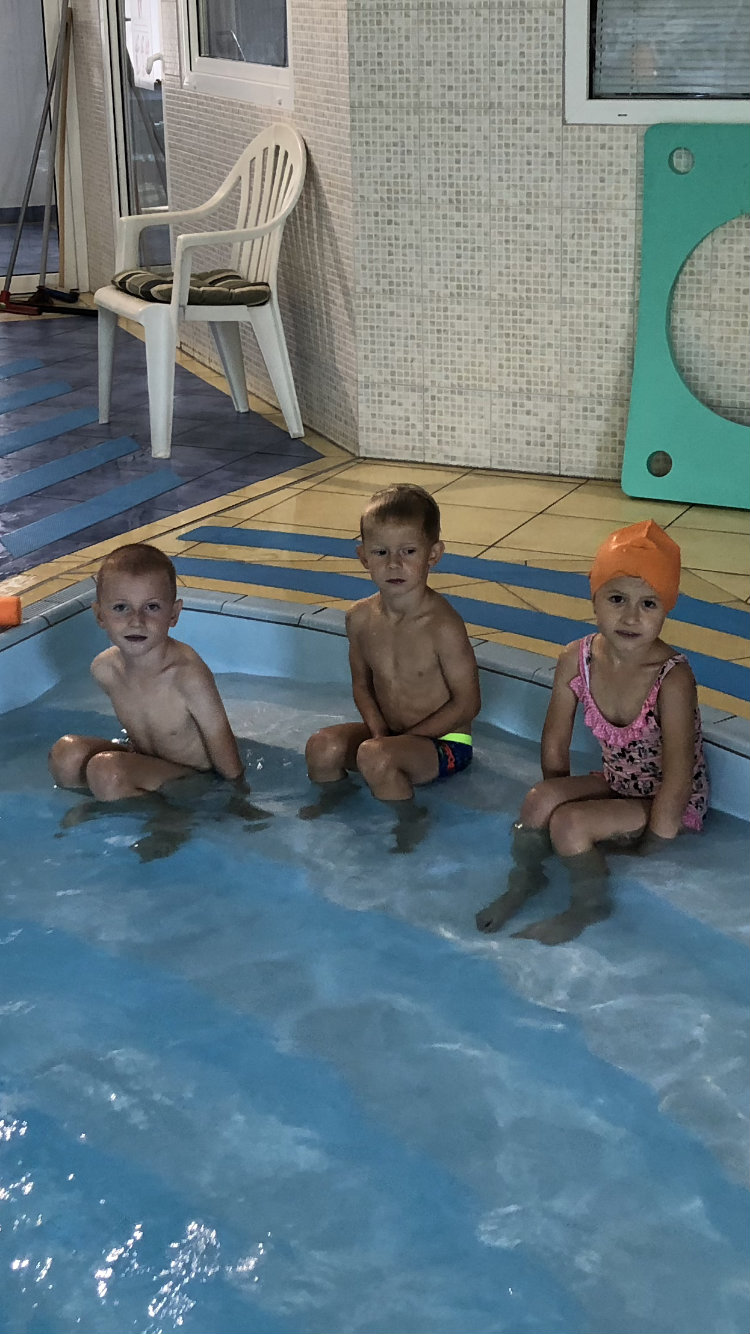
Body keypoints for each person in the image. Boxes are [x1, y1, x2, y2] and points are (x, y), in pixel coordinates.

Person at [476, 520, 709, 945]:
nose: (631, 617)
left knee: (571, 825)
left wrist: (651, 847)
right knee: (538, 800)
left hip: (666, 802)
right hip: (618, 782)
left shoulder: (672, 678)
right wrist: (554, 802)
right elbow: (554, 743)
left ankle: (589, 906)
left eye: (649, 604)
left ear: (667, 608)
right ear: (594, 595)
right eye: (617, 598)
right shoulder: (577, 658)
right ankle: (526, 880)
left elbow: (678, 778)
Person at [303, 484, 481, 837]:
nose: (394, 564)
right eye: (381, 552)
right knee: (321, 747)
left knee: (377, 756)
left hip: (445, 743)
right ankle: (335, 813)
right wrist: (379, 733)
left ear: (433, 555)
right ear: (363, 556)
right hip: (387, 736)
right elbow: (361, 684)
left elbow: (468, 704)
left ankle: (411, 823)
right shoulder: (358, 618)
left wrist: (402, 740)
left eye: (408, 551)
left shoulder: (442, 625)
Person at [49, 542, 244, 801]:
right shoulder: (105, 670)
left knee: (107, 771)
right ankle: (119, 806)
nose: (136, 621)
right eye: (121, 607)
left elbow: (227, 757)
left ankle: (168, 815)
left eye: (151, 607)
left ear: (173, 614)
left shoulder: (187, 676)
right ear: (100, 615)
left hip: (195, 781)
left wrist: (239, 802)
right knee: (66, 754)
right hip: (147, 762)